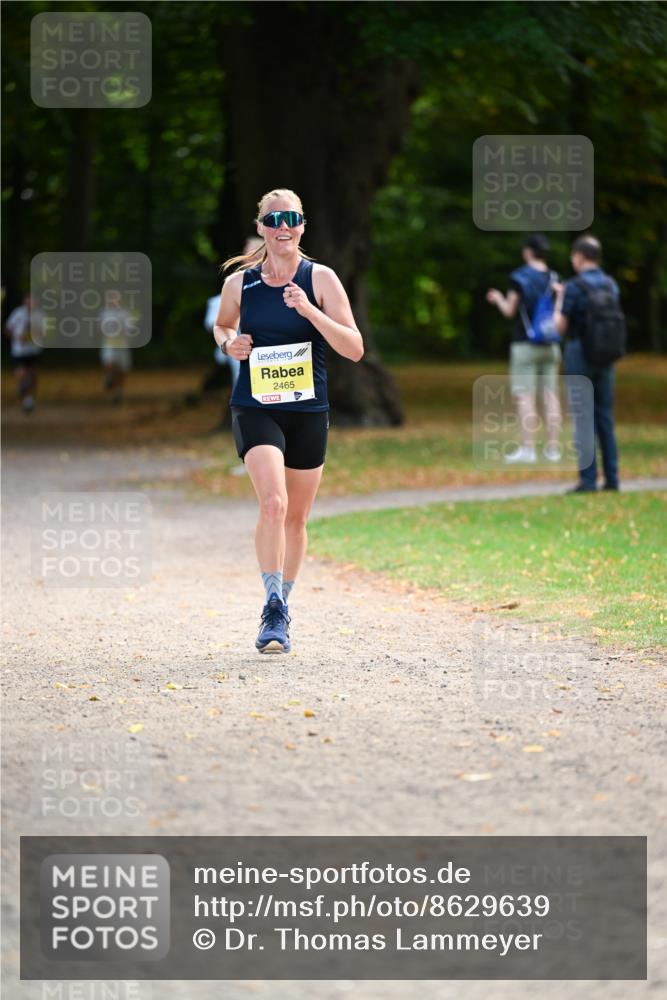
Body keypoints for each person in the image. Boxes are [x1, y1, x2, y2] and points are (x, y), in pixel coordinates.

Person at [213, 188, 364, 653]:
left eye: (292, 218)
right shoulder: (240, 284)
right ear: (261, 227)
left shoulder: (321, 279)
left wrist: (308, 310)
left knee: (297, 519)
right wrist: (228, 344)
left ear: (302, 226)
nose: (283, 226)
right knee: (274, 504)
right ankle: (272, 606)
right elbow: (223, 325)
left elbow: (354, 349)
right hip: (255, 405)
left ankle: (285, 602)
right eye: (274, 219)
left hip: (307, 411)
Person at [553, 235, 622, 492]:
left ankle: (588, 479)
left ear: (580, 256)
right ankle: (613, 478)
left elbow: (560, 327)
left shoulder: (574, 286)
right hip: (607, 355)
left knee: (583, 416)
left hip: (580, 352)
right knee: (605, 415)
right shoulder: (611, 285)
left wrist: (559, 301)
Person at [486, 234, 562, 463]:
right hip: (551, 343)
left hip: (525, 344)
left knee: (525, 397)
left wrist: (498, 298)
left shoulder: (518, 277)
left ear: (528, 252)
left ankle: (528, 449)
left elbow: (510, 311)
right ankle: (553, 449)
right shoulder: (554, 277)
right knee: (550, 395)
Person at [4, 294, 43, 413]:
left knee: (34, 374)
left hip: (33, 350)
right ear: (24, 302)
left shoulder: (39, 315)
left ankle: (30, 399)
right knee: (22, 373)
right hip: (20, 351)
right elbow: (8, 328)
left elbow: (43, 331)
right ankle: (25, 395)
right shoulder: (18, 313)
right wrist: (15, 338)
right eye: (29, 301)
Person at [99, 290, 135, 404]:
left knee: (121, 371)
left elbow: (129, 330)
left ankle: (118, 391)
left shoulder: (125, 313)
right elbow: (99, 329)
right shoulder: (104, 313)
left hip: (122, 345)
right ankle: (109, 377)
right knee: (110, 363)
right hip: (109, 344)